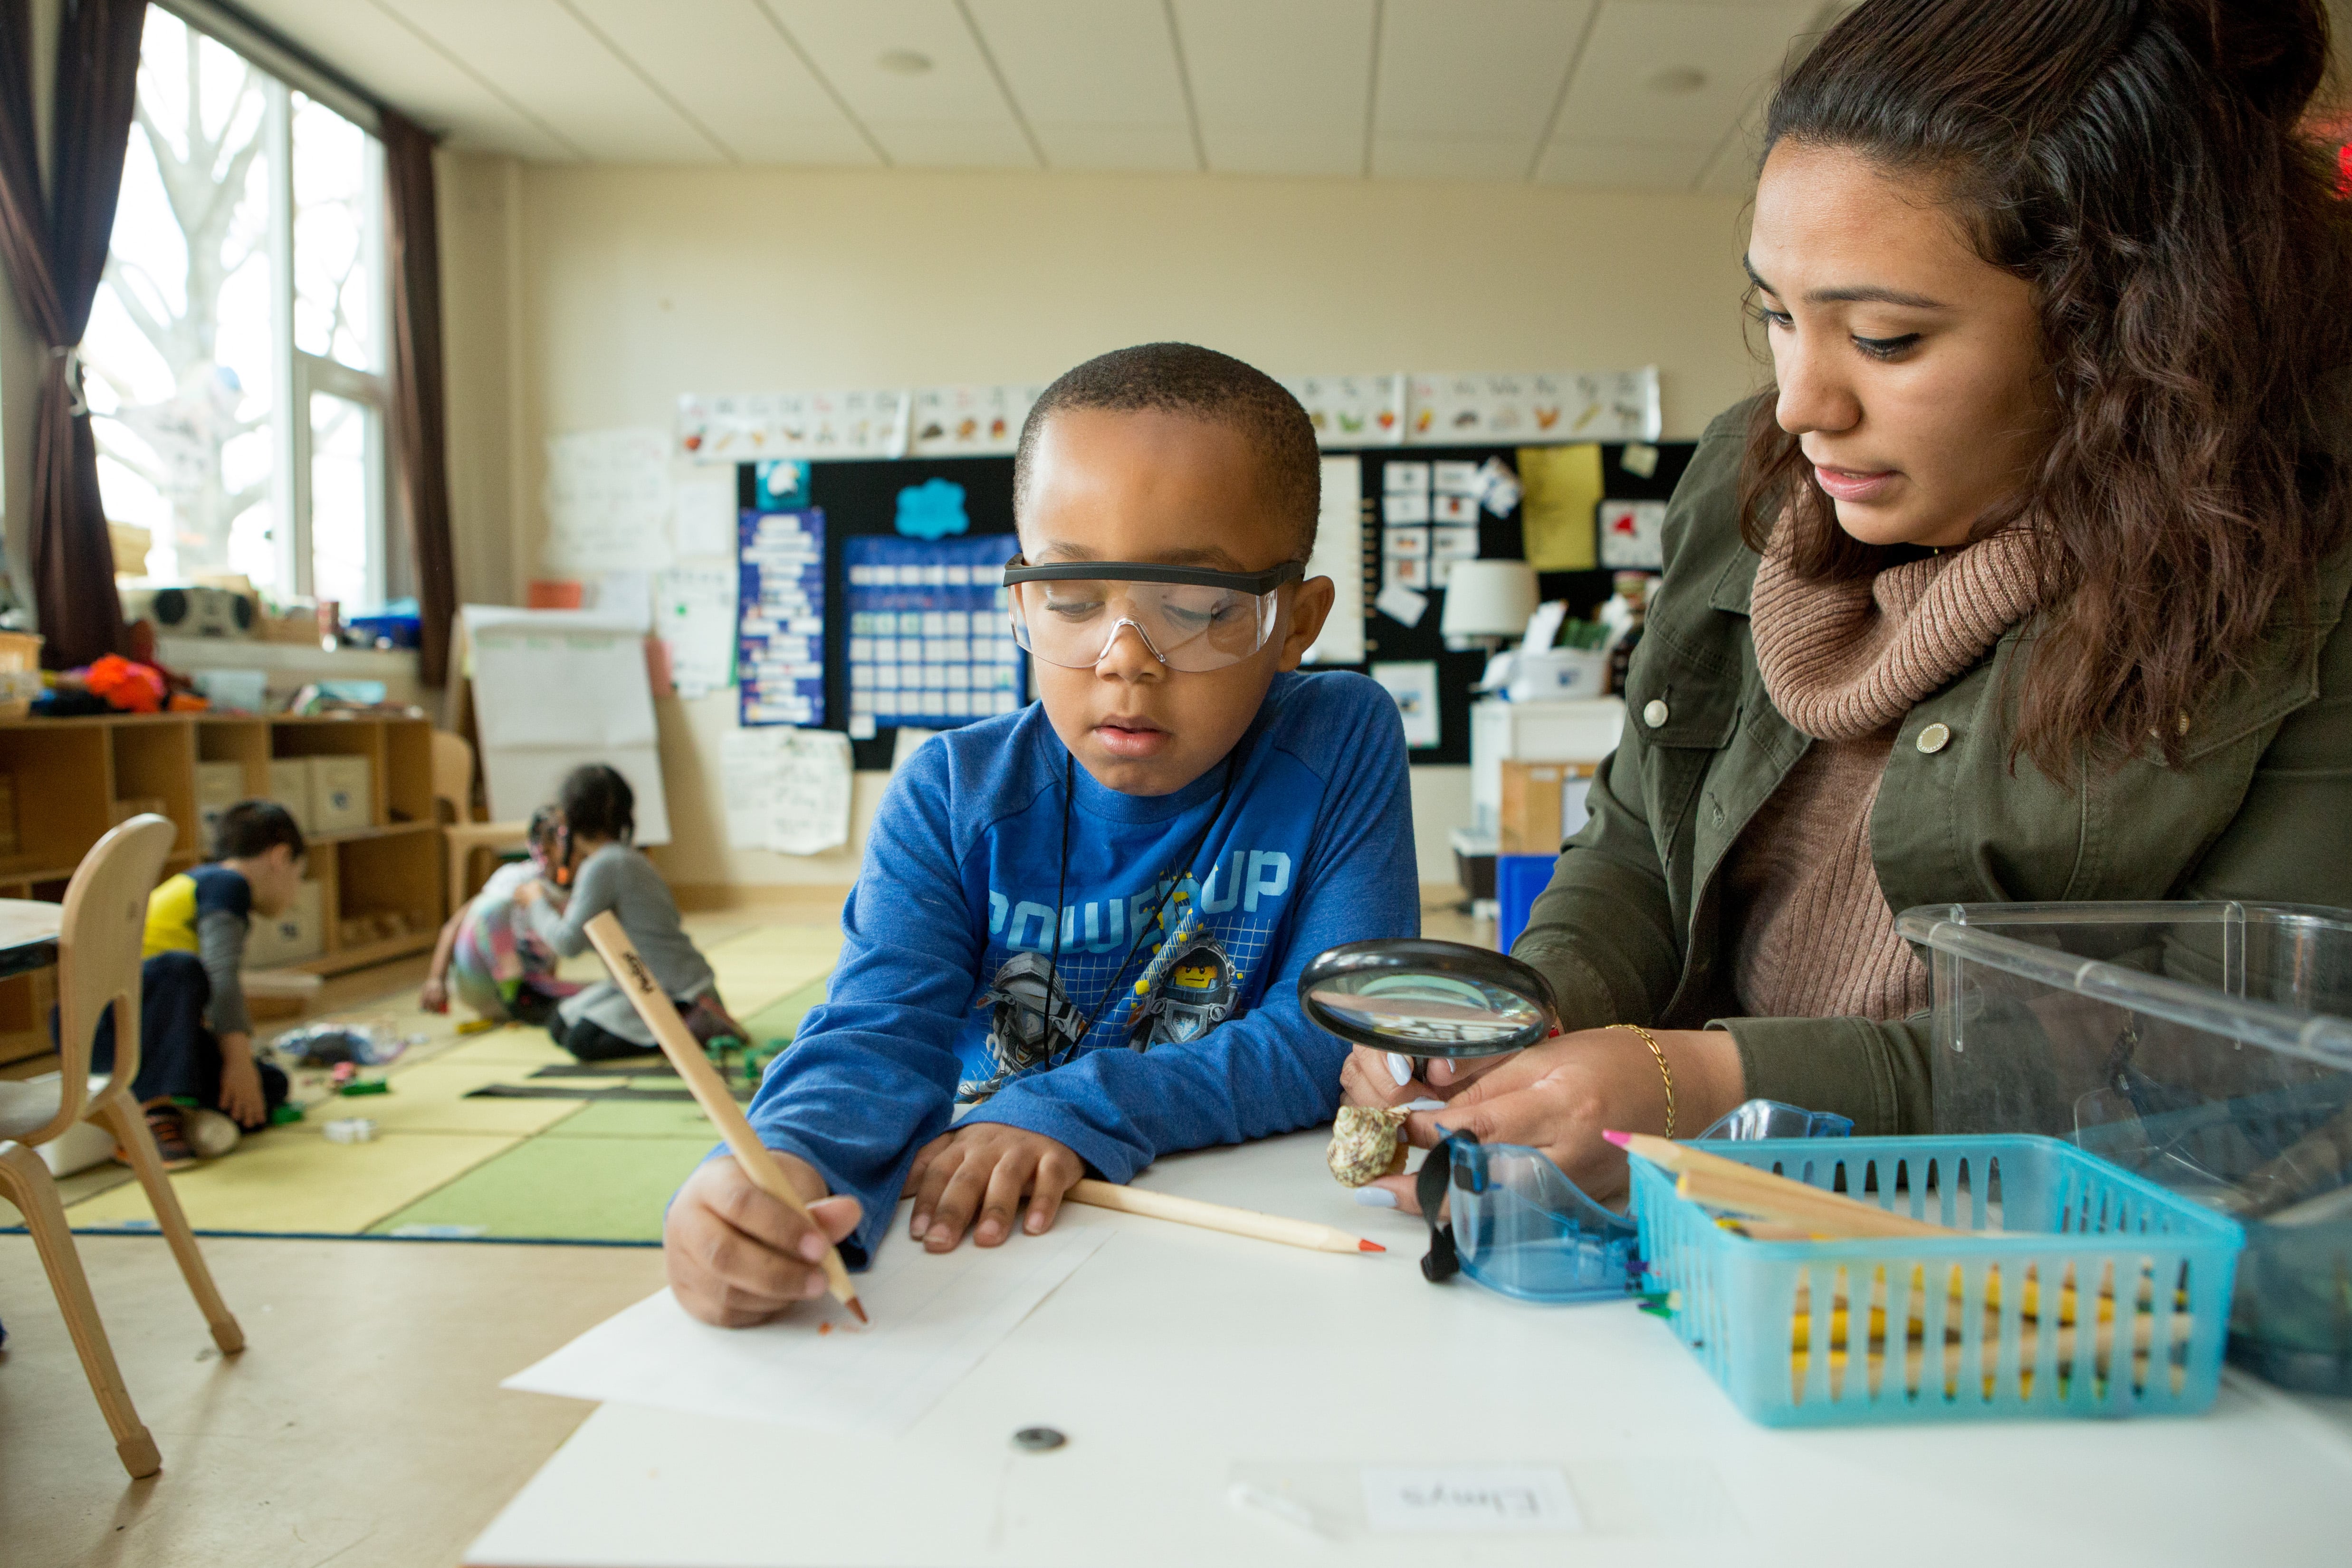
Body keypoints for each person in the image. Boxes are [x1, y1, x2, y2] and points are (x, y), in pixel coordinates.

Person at [1340, 0, 2352, 1210]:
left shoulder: (2306, 570)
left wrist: (1712, 1084)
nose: (1797, 404)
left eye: (1883, 337)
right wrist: (1528, 1012)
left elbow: (2217, 1072)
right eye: (1777, 314)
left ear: (2121, 335)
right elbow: (1637, 848)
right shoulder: (1742, 481)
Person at [665, 343, 1419, 1325]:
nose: (1125, 662)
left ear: (1296, 621)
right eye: (1070, 601)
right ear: (1022, 597)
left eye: (1194, 609)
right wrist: (773, 1173)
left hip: (1233, 1227)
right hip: (989, 1225)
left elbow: (1340, 1025)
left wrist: (1079, 1107)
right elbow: (878, 1036)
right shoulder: (950, 792)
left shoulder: (1341, 737)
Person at [93, 801, 302, 1163]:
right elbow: (221, 976)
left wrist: (244, 1069)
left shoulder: (210, 885)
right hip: (109, 1027)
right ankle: (154, 1114)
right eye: (300, 876)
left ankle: (185, 1118)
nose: (295, 891)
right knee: (182, 968)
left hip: (142, 1033)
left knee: (270, 1085)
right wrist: (238, 1061)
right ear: (280, 858)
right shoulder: (226, 883)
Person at [518, 765, 746, 1061]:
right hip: (641, 982)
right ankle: (681, 1024)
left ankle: (693, 1023)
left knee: (581, 1041)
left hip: (676, 991)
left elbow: (567, 943)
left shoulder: (604, 865)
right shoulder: (623, 859)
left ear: (570, 817)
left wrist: (537, 902)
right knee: (561, 1025)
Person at [419, 805, 579, 1028]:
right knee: (491, 907)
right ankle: (517, 996)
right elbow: (455, 925)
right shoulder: (516, 877)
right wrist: (436, 980)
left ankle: (529, 1001)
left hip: (531, 983)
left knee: (597, 997)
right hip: (488, 981)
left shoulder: (576, 887)